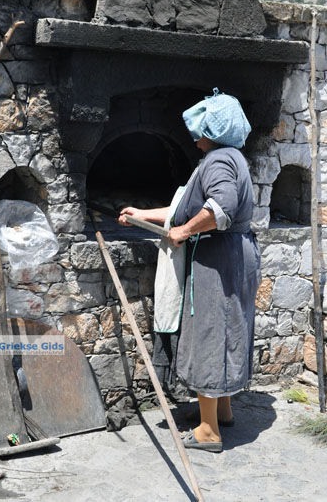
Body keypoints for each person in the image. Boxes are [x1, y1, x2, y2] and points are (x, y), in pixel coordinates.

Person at [118, 89, 261, 453]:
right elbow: (185, 206)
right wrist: (142, 214)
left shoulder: (217, 161)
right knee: (228, 329)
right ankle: (221, 411)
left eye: (199, 130)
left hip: (218, 260)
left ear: (213, 129)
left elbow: (219, 207)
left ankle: (208, 431)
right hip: (234, 255)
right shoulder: (233, 158)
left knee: (210, 333)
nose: (194, 138)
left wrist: (182, 231)